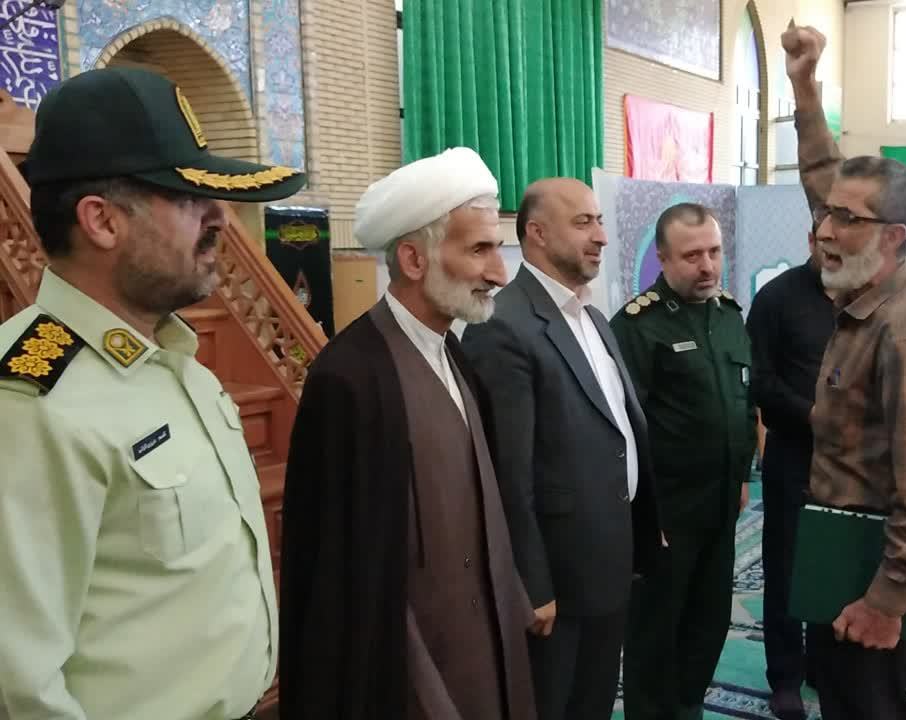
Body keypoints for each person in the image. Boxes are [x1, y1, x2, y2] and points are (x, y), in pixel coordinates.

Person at [0, 66, 305, 719]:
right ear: (102, 221)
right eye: (190, 198)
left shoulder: (176, 362)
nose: (222, 218)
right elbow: (19, 687)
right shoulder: (28, 402)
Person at [279, 148, 537, 720]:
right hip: (408, 681)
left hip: (486, 649)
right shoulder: (349, 379)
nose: (499, 273)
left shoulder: (455, 355)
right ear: (414, 259)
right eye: (480, 250)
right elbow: (346, 574)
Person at [782, 24, 906, 718]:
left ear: (893, 236)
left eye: (844, 220)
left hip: (872, 568)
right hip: (843, 552)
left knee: (868, 705)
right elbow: (824, 180)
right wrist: (805, 86)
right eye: (826, 215)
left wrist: (888, 601)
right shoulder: (870, 284)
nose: (824, 231)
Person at [460, 177, 662, 720]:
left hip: (608, 563)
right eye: (583, 223)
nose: (600, 236)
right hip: (556, 581)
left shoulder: (592, 317)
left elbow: (617, 432)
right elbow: (507, 472)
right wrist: (531, 581)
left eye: (599, 221)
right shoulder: (503, 325)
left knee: (593, 703)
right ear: (537, 234)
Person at [610, 202, 755, 720]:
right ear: (663, 258)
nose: (707, 266)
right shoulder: (638, 325)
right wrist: (641, 512)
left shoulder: (730, 315)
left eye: (714, 252)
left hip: (721, 504)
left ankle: (688, 708)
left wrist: (742, 476)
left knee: (707, 622)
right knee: (656, 629)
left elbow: (744, 403)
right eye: (692, 256)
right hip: (667, 511)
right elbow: (623, 427)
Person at [745, 221, 835, 718]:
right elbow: (758, 380)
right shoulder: (777, 298)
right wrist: (809, 414)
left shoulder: (866, 296)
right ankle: (785, 676)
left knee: (836, 563)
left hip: (851, 461)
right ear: (810, 241)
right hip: (794, 453)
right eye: (826, 241)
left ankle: (825, 664)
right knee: (786, 569)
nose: (836, 250)